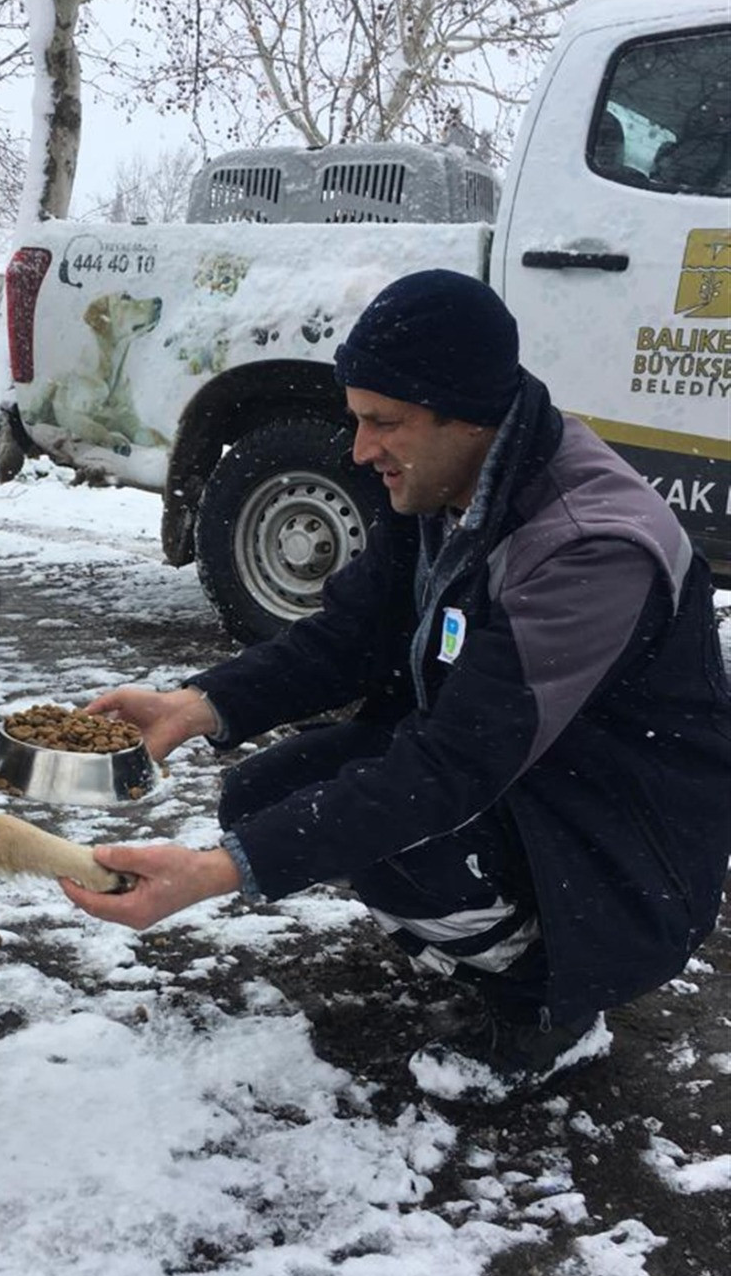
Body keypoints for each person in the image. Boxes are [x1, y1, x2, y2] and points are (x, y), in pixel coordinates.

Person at [61, 269, 731, 1104]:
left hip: (625, 843)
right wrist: (196, 705)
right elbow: (350, 635)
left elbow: (452, 768)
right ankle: (491, 934)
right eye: (357, 418)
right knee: (266, 799)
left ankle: (552, 1002)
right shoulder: (451, 481)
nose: (359, 449)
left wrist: (215, 874)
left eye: (384, 422)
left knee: (396, 837)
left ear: (470, 416)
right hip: (537, 776)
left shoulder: (587, 546)